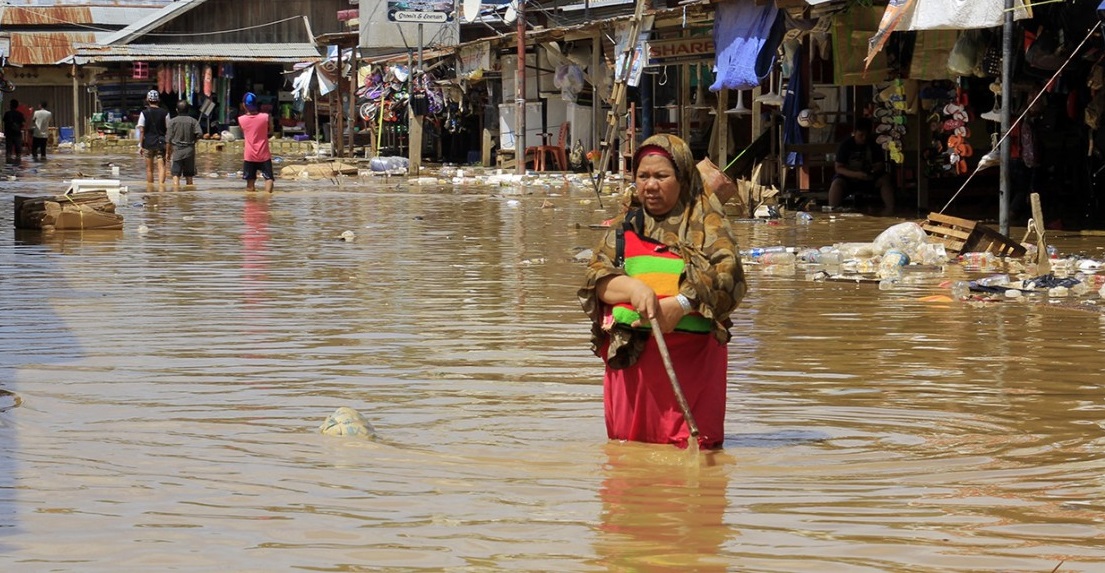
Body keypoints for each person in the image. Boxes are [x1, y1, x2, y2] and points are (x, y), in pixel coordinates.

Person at [578, 134, 747, 450]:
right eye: (643, 176)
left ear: (682, 178)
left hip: (693, 362)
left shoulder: (707, 224)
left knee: (698, 460)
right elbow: (597, 279)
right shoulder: (625, 226)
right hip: (632, 365)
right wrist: (632, 287)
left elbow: (728, 275)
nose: (650, 186)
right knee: (628, 459)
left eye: (661, 176)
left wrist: (681, 304)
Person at [827, 117, 895, 215]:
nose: (864, 138)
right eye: (861, 135)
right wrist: (855, 174)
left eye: (866, 135)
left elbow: (880, 165)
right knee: (837, 183)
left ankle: (890, 210)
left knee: (885, 180)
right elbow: (838, 168)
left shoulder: (873, 144)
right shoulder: (846, 145)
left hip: (869, 178)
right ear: (855, 132)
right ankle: (832, 211)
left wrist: (872, 171)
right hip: (849, 179)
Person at [238, 92, 274, 193]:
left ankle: (251, 203)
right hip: (264, 154)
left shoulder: (241, 120)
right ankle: (268, 199)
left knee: (250, 184)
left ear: (244, 105)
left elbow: (243, 132)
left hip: (249, 155)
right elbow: (270, 131)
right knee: (269, 178)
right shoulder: (265, 117)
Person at [166, 100, 203, 188]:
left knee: (175, 174)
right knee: (189, 175)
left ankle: (176, 193)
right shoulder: (193, 121)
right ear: (188, 110)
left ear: (177, 110)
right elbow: (200, 134)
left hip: (177, 150)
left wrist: (168, 153)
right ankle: (189, 195)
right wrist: (193, 141)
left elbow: (168, 139)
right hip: (189, 150)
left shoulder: (172, 122)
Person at [136, 90, 169, 185]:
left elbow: (142, 130)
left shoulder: (144, 113)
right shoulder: (165, 113)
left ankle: (150, 189)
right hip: (160, 143)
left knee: (149, 169)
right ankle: (161, 188)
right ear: (158, 100)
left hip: (148, 143)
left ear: (147, 100)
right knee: (161, 167)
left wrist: (140, 145)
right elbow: (168, 129)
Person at [3, 99, 25, 164]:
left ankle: (8, 162)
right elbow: (23, 123)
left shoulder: (7, 114)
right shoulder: (20, 114)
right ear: (17, 106)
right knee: (18, 150)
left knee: (9, 149)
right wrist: (19, 127)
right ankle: (18, 162)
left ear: (10, 105)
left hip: (9, 134)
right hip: (17, 134)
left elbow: (4, 122)